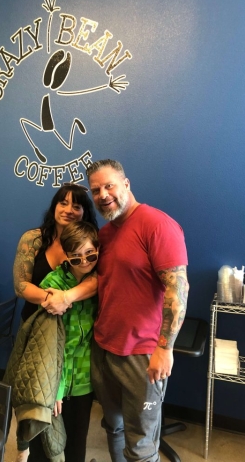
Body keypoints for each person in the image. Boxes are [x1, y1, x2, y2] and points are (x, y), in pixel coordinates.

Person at [86, 159, 189, 462]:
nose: (103, 194)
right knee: (113, 427)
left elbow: (178, 290)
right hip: (104, 347)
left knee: (141, 443)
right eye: (95, 190)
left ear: (126, 184)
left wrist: (164, 348)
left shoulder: (157, 225)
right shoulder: (105, 234)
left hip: (142, 354)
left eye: (109, 186)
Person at [12, 184, 98, 462]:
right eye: (63, 203)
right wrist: (53, 299)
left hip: (78, 341)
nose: (69, 210)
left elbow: (101, 279)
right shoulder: (33, 239)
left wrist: (67, 297)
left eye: (76, 205)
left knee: (73, 425)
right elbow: (21, 285)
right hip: (40, 328)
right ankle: (24, 448)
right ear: (54, 206)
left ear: (85, 212)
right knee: (36, 400)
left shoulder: (92, 244)